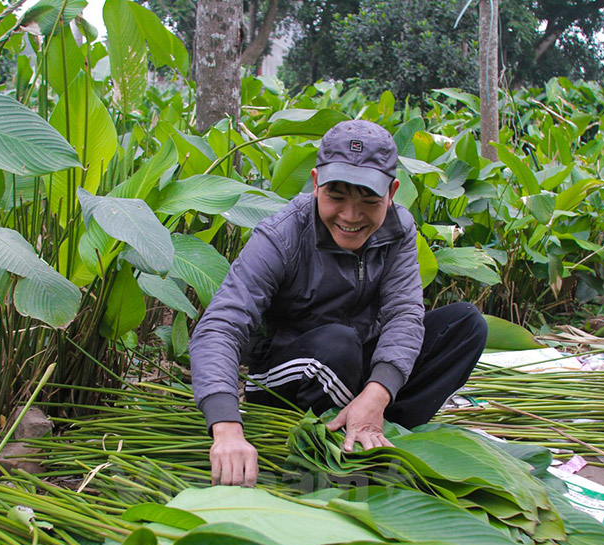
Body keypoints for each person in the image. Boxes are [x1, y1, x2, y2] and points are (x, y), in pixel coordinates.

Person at [189, 120, 487, 487]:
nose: (350, 215)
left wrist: (378, 392)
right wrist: (227, 429)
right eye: (337, 196)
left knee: (465, 324)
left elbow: (404, 314)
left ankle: (377, 430)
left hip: (356, 365)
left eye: (369, 200)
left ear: (392, 193)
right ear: (315, 184)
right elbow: (221, 325)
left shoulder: (398, 230)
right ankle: (330, 450)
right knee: (338, 344)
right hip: (290, 377)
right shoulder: (283, 234)